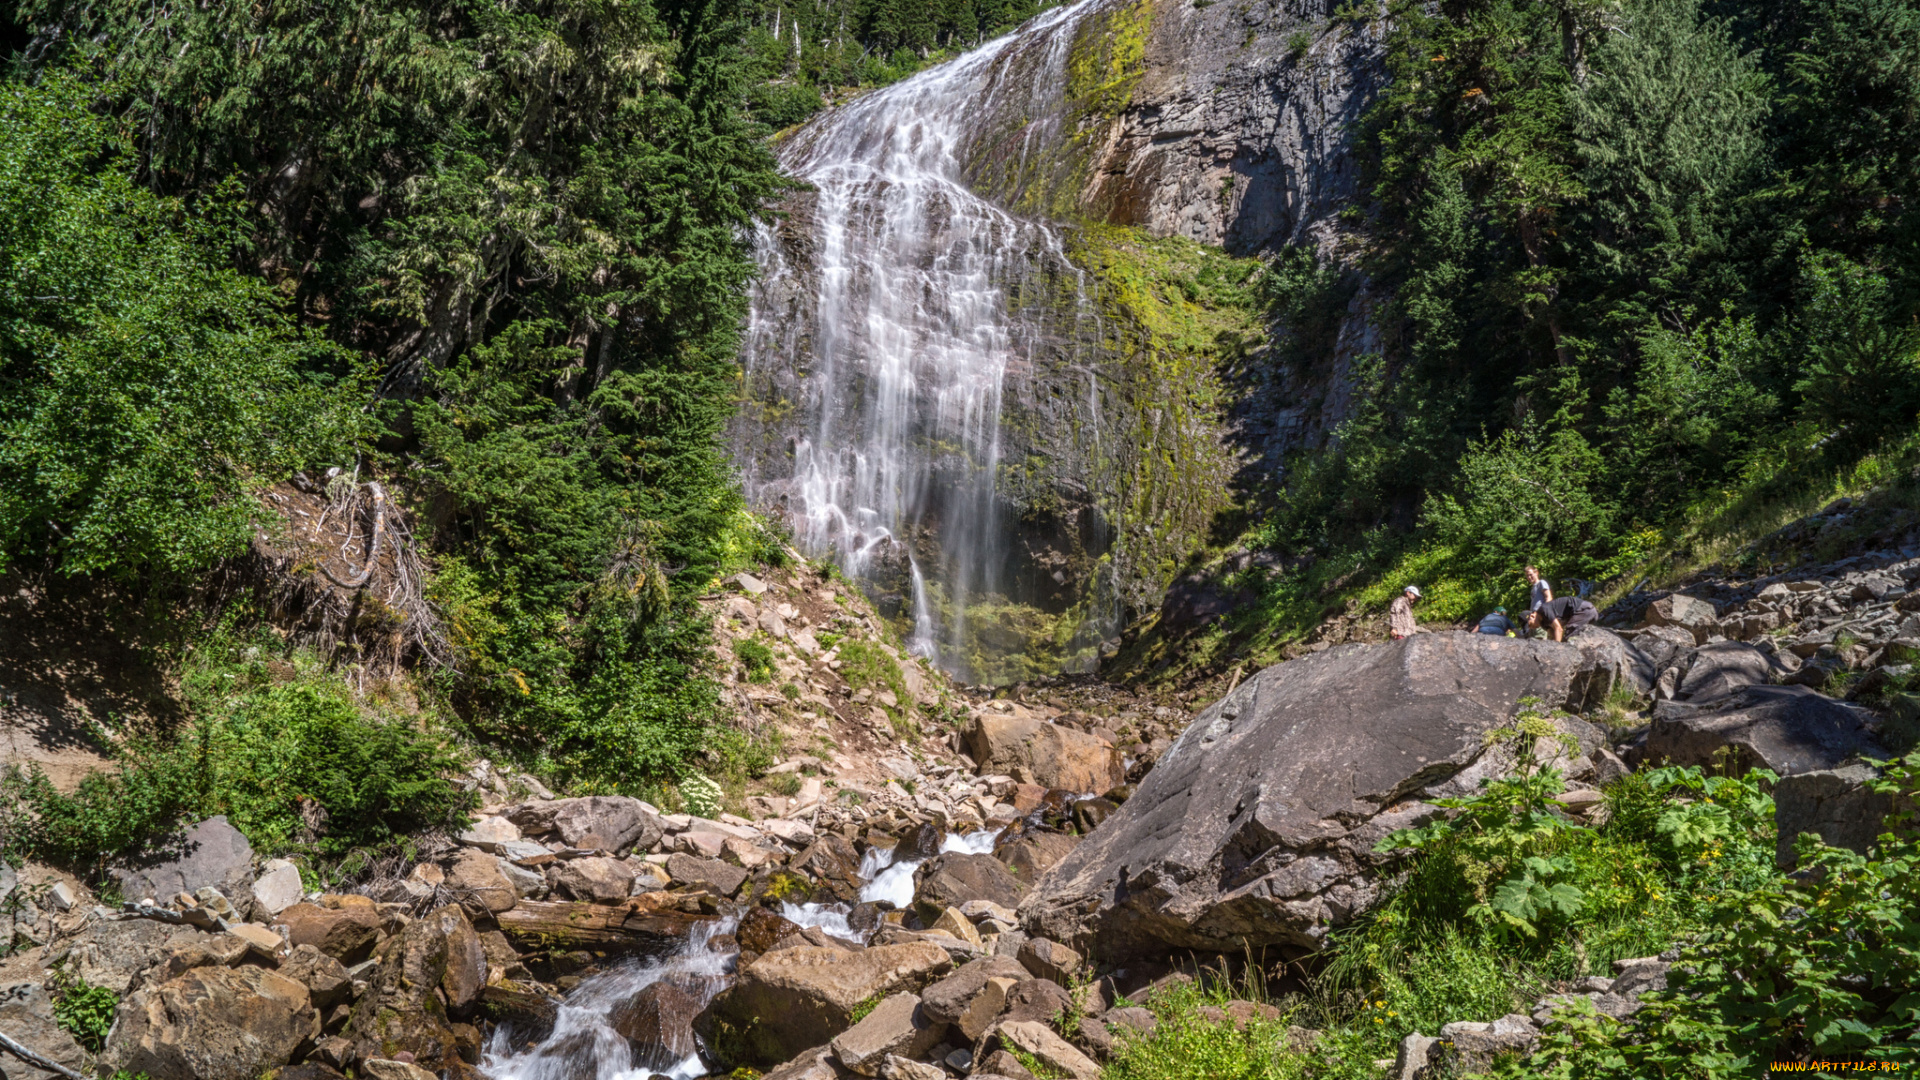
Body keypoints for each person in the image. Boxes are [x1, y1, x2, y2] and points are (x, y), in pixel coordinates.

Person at [1528, 595, 1597, 641]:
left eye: (1530, 625)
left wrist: (1558, 651)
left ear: (1532, 616)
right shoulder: (1543, 623)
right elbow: (1553, 637)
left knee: (1570, 639)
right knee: (1568, 640)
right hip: (1585, 614)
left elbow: (1558, 629)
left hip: (1584, 610)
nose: (1531, 628)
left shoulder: (1544, 610)